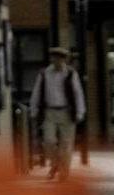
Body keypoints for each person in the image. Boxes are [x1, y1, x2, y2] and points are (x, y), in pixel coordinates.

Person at [28, 47, 86, 180]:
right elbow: (37, 93)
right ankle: (55, 164)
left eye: (60, 58)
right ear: (52, 59)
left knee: (66, 145)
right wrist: (34, 110)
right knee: (49, 141)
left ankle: (64, 173)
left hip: (67, 112)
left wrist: (80, 112)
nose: (57, 61)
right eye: (54, 58)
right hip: (49, 112)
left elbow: (78, 94)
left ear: (64, 59)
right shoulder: (44, 74)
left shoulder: (71, 73)